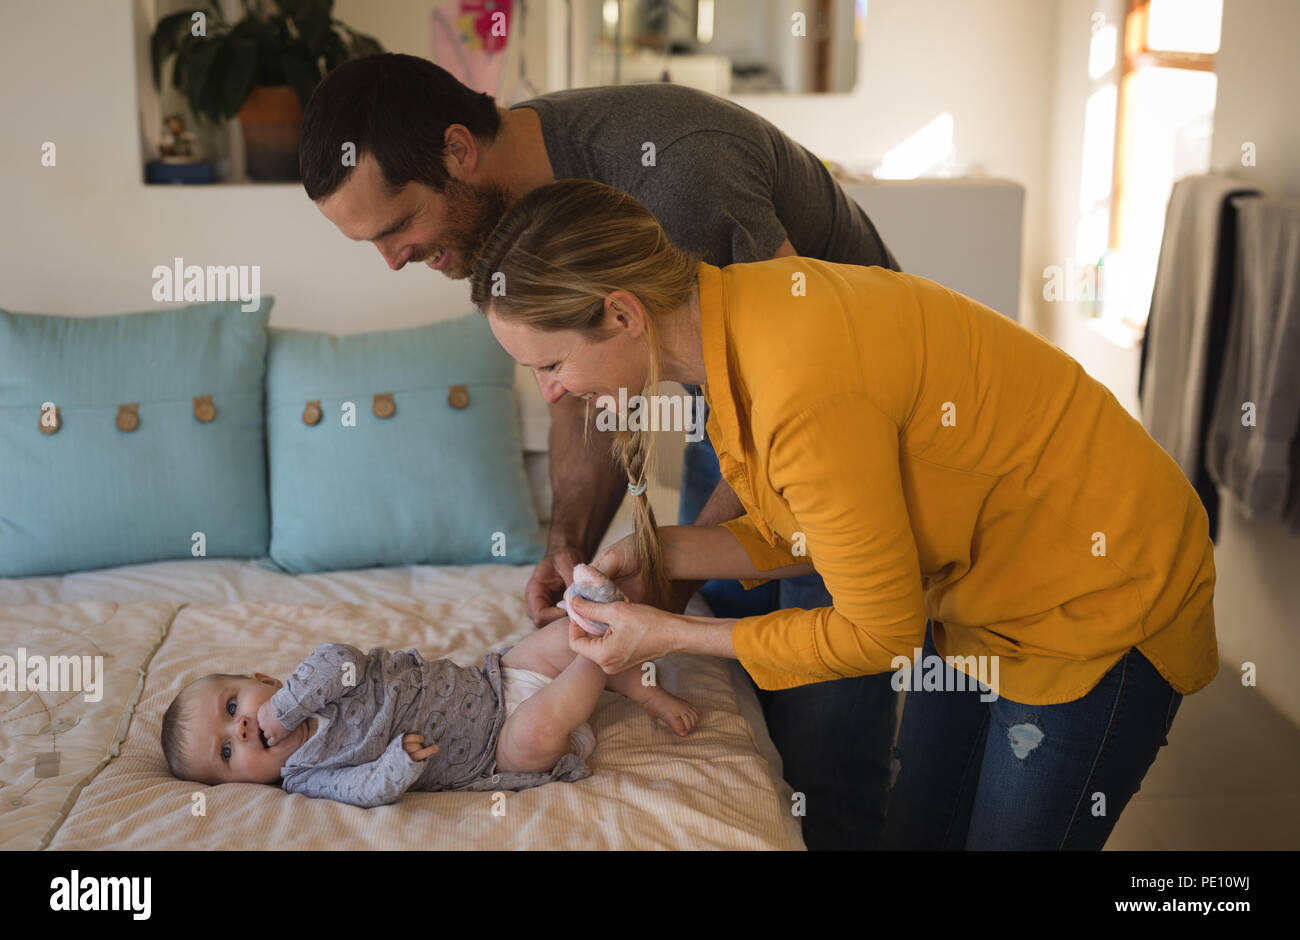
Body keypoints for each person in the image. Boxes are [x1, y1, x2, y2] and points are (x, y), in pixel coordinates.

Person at [467, 178, 1219, 850]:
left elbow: (877, 632)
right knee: (919, 829)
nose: (551, 395)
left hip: (1103, 587)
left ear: (622, 313)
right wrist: (667, 550)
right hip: (987, 589)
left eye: (551, 365)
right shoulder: (732, 333)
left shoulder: (797, 383)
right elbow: (817, 532)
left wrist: (667, 632)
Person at [299, 52, 901, 847]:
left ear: (456, 151)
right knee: (745, 668)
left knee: (825, 742)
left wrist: (666, 577)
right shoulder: (516, 198)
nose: (394, 259)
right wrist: (570, 542)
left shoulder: (679, 175)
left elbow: (787, 388)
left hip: (839, 427)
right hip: (726, 414)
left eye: (399, 225)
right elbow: (583, 373)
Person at [159, 606, 698, 809]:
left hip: (498, 678)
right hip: (496, 748)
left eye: (234, 705)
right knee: (538, 728)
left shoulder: (315, 685)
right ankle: (606, 660)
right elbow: (365, 788)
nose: (245, 727)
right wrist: (399, 762)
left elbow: (337, 658)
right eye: (227, 750)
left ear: (264, 680)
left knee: (558, 634)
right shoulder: (307, 776)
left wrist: (283, 709)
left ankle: (639, 684)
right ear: (240, 786)